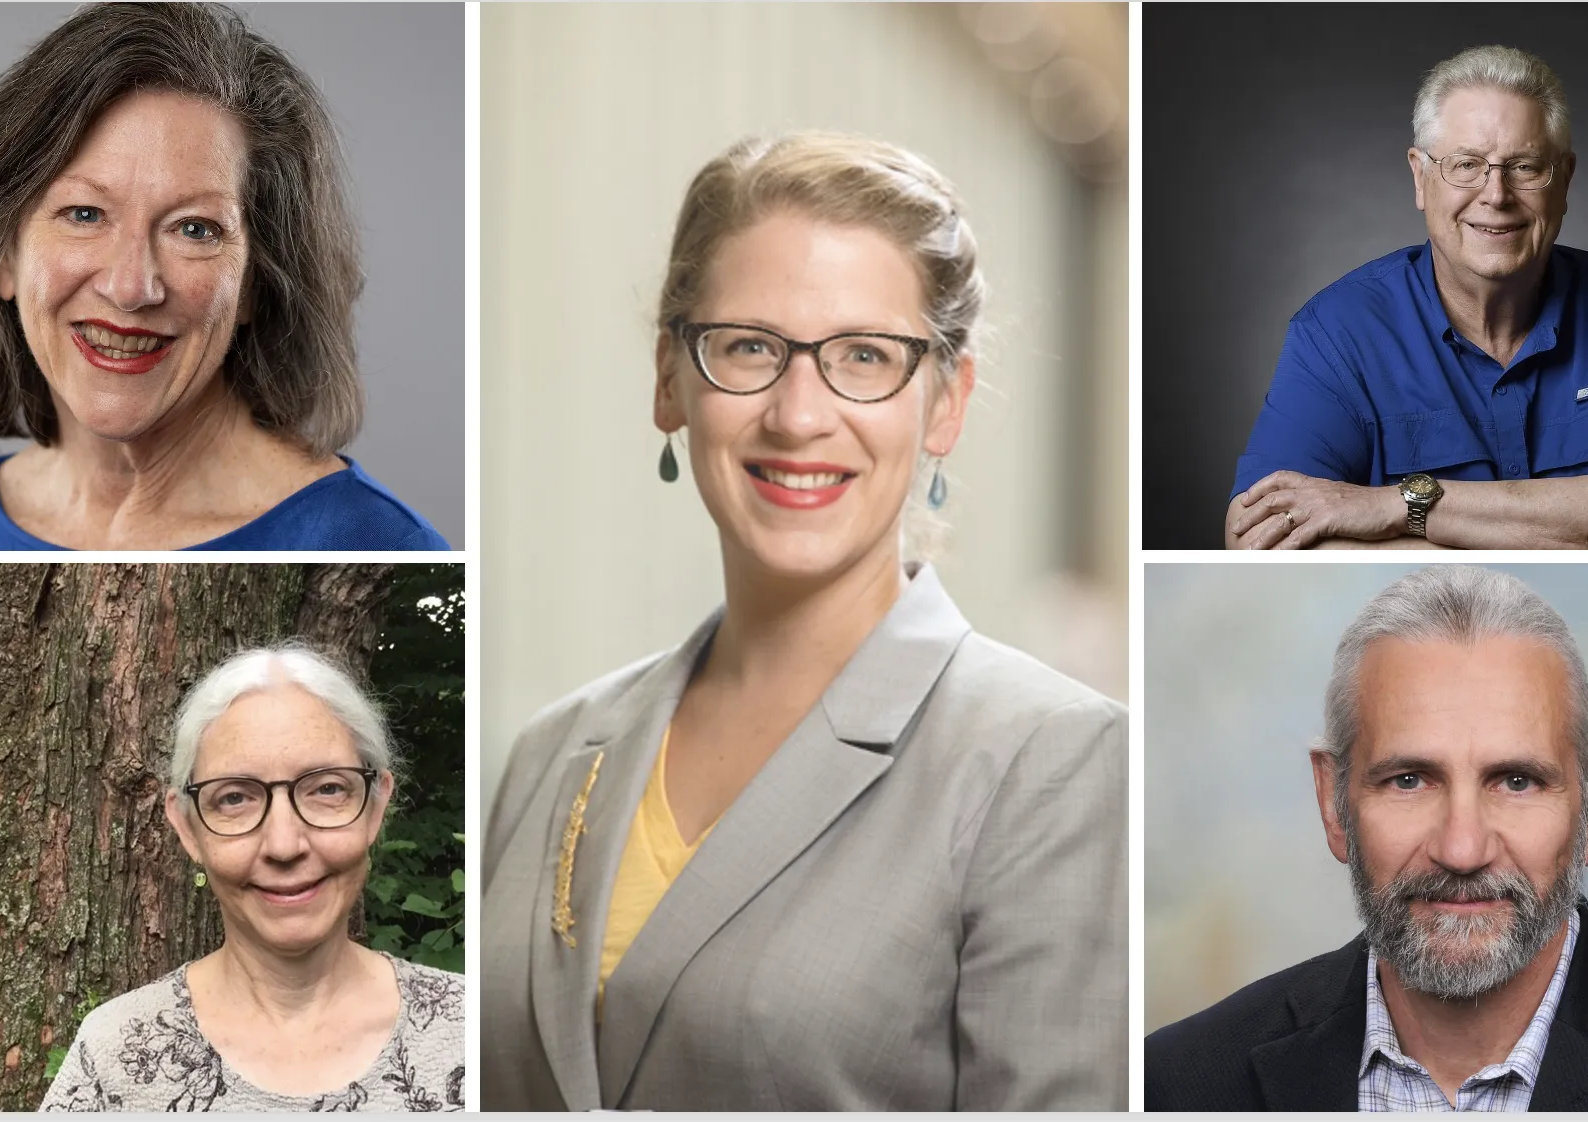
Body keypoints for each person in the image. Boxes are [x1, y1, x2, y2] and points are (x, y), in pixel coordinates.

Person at [479, 132, 1128, 1111]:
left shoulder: (1054, 763)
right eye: (749, 346)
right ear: (670, 377)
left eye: (863, 356)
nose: (797, 413)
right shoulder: (551, 750)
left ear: (943, 402)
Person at [1145, 566, 1588, 1111]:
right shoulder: (1176, 1086)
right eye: (1408, 780)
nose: (1462, 849)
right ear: (1333, 802)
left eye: (1515, 781)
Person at [0, 3, 448, 551]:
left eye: (194, 229)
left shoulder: (374, 541)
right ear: (5, 256)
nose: (131, 287)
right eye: (84, 214)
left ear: (252, 282)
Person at [1225, 46, 1588, 550]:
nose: (1495, 194)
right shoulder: (1336, 331)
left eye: (1524, 166)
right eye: (1466, 164)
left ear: (1564, 180)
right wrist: (1567, 536)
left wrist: (1395, 505)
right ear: (1420, 176)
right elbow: (1255, 536)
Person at [40, 646, 463, 1111]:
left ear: (376, 805)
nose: (284, 845)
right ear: (187, 827)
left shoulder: (477, 1030)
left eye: (326, 789)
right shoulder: (114, 1056)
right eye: (235, 798)